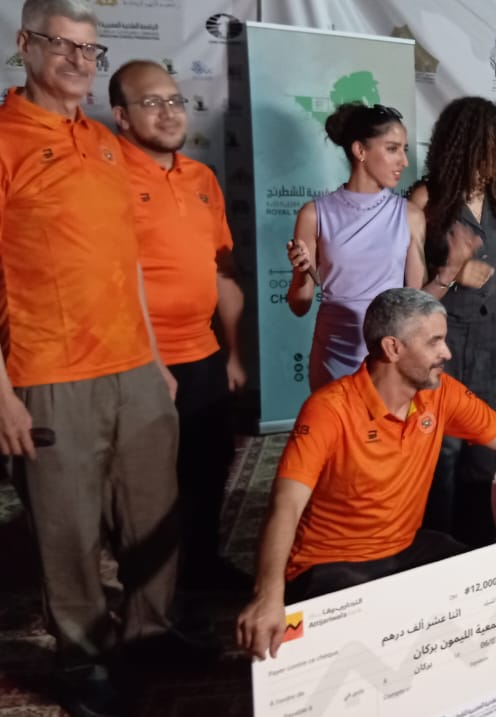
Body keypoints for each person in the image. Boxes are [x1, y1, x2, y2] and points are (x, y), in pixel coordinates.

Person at [1, 2, 183, 714]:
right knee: (68, 529)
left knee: (152, 512)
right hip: (49, 373)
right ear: (24, 44)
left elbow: (126, 259)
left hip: (135, 367)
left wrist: (155, 357)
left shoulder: (105, 141)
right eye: (62, 45)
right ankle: (84, 658)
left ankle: (151, 631)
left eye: (89, 49)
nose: (79, 61)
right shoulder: (6, 139)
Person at [235, 288, 496, 660]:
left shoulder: (440, 393)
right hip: (329, 565)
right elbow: (285, 505)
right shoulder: (328, 409)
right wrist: (268, 594)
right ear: (392, 348)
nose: (447, 353)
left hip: (404, 549)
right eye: (434, 342)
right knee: (359, 652)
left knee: (495, 590)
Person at [109, 59, 248, 592]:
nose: (168, 112)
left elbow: (222, 272)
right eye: (151, 102)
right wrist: (148, 362)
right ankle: (157, 597)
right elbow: (110, 280)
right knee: (149, 487)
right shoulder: (104, 177)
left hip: (203, 355)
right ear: (121, 116)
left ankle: (202, 570)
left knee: (208, 467)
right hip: (138, 361)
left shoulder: (201, 178)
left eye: (174, 100)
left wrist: (232, 354)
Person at [408, 96, 496, 547]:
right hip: (441, 341)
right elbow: (407, 295)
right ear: (471, 143)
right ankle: (435, 549)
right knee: (442, 452)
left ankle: (478, 549)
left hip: (490, 342)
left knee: (485, 450)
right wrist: (453, 274)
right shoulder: (425, 200)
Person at [285, 102, 426, 390]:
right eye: (392, 149)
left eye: (404, 149)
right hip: (334, 353)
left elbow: (415, 302)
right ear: (360, 150)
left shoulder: (410, 215)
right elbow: (299, 306)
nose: (404, 161)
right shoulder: (314, 214)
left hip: (389, 356)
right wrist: (301, 273)